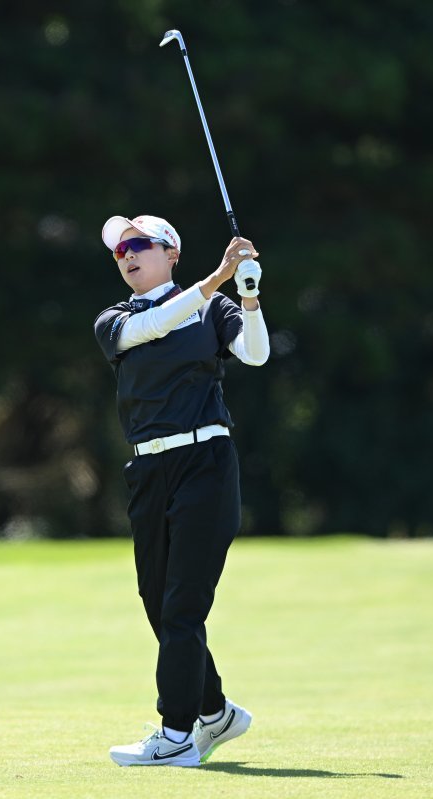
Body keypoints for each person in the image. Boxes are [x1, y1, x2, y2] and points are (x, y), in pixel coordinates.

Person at [93, 214, 270, 767]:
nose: (127, 254)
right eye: (120, 249)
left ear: (171, 252)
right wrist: (218, 277)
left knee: (183, 607)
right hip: (148, 471)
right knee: (157, 602)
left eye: (139, 244)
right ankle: (215, 712)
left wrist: (248, 295)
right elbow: (157, 326)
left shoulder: (214, 309)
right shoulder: (114, 320)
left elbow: (257, 354)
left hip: (206, 463)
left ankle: (175, 735)